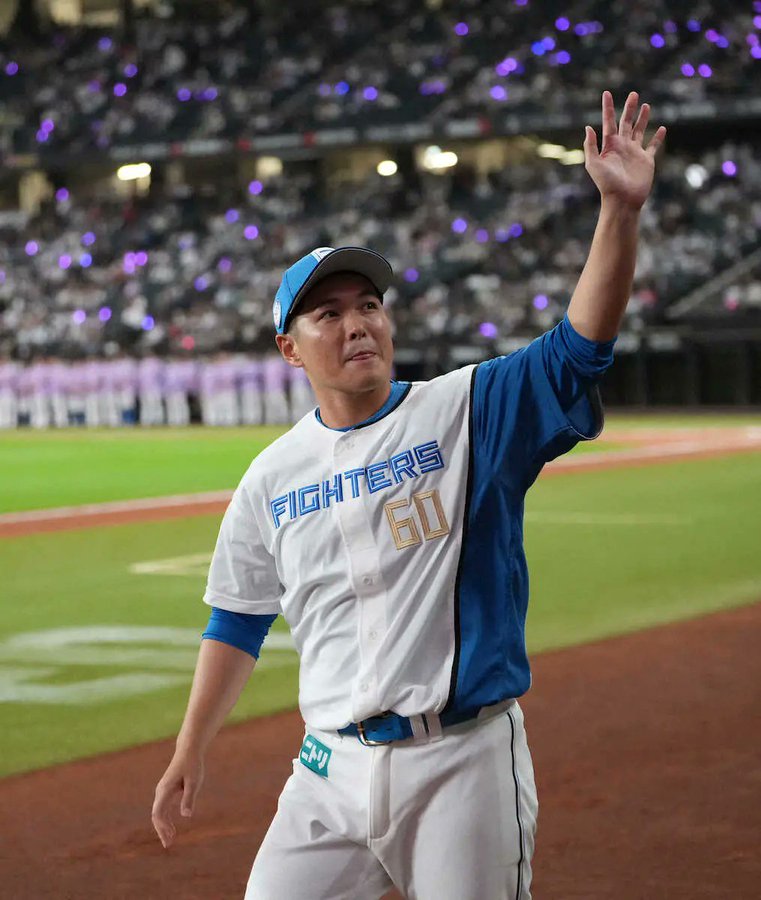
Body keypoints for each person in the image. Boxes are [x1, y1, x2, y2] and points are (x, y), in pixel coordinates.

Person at [152, 92, 666, 899]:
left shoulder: (465, 410)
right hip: (326, 769)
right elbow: (238, 618)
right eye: (328, 314)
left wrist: (619, 213)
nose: (357, 324)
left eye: (368, 306)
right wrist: (191, 745)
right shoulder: (270, 476)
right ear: (289, 348)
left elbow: (577, 354)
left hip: (460, 762)